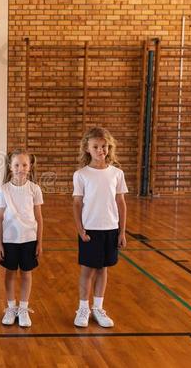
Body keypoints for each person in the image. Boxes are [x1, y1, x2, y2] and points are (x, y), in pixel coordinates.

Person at [72, 127, 127, 328]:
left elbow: (121, 203)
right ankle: (83, 308)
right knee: (87, 270)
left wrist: (122, 231)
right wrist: (80, 229)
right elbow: (77, 204)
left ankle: (98, 307)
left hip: (110, 229)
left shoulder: (117, 173)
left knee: (103, 269)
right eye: (96, 146)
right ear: (87, 149)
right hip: (90, 229)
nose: (100, 150)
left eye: (104, 146)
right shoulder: (81, 175)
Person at [0, 149, 43, 327]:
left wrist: (39, 242)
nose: (20, 168)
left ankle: (23, 308)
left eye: (24, 165)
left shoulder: (34, 189)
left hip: (29, 239)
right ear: (10, 167)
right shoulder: (4, 190)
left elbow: (39, 217)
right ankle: (10, 307)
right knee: (10, 274)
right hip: (9, 240)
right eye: (16, 165)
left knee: (26, 274)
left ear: (30, 167)